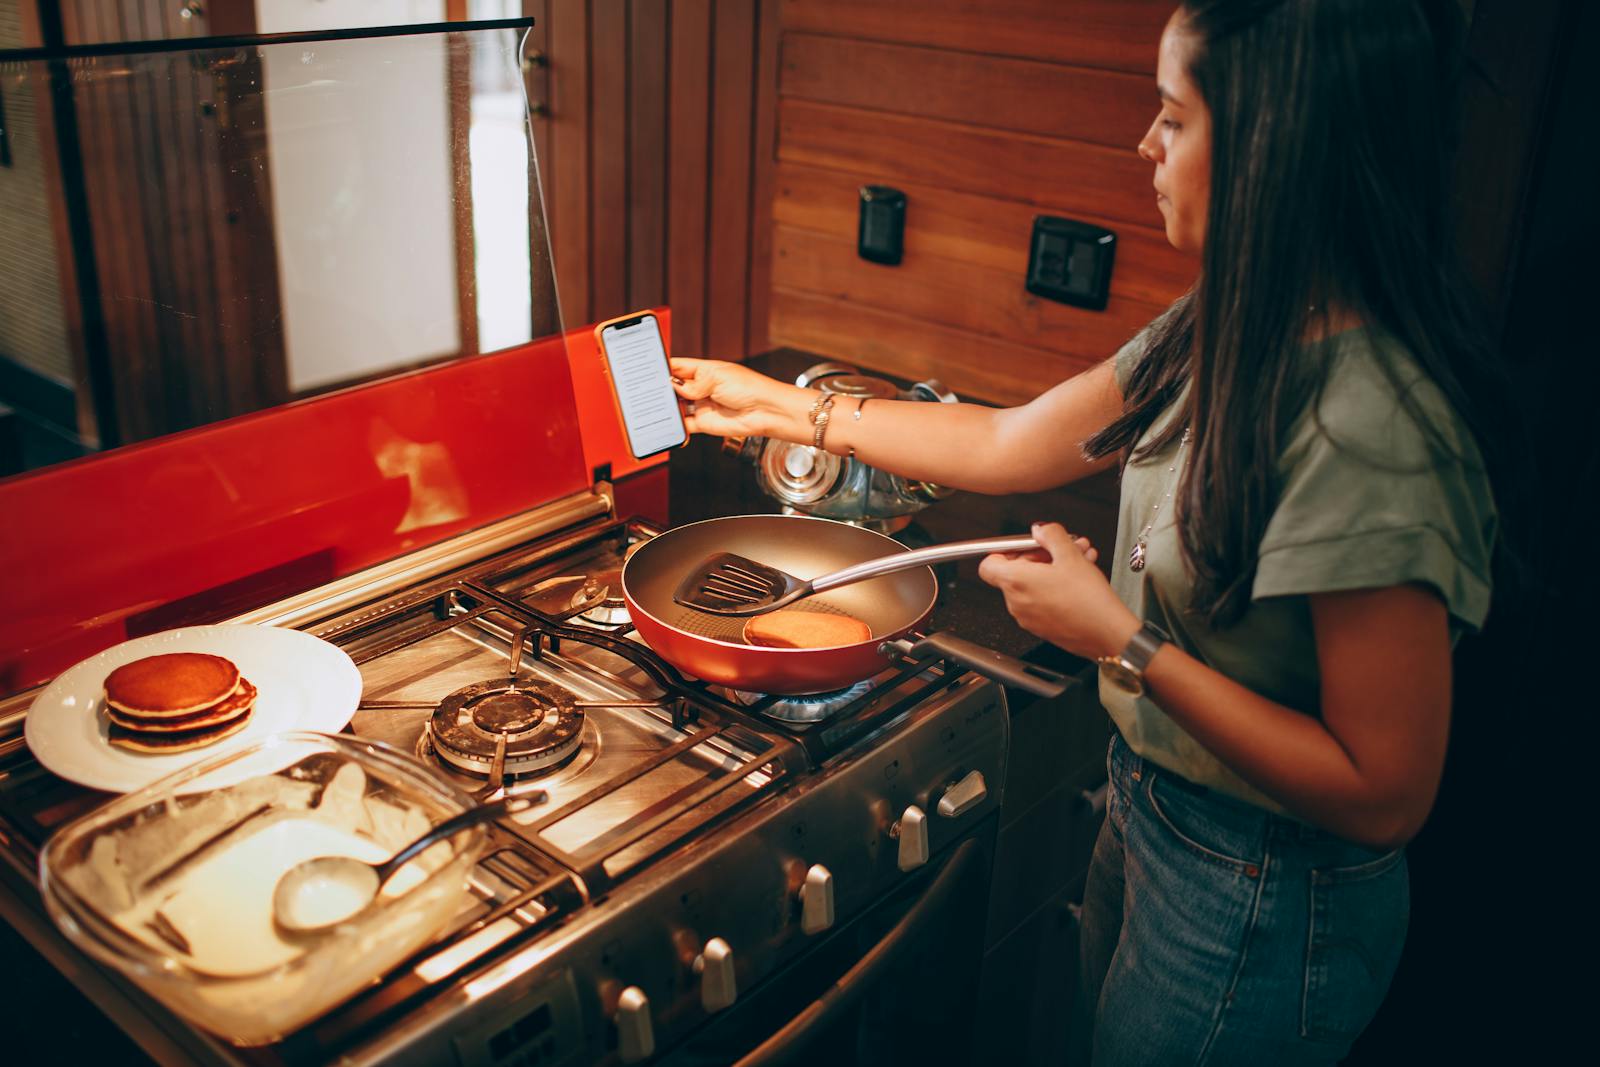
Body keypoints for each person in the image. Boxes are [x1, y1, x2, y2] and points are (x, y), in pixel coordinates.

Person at [669, 0, 1504, 1062]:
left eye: (1171, 116)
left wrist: (1120, 637)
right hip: (1156, 812)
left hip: (1262, 890)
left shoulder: (1372, 429)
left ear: (1270, 146)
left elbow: (1384, 794)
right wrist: (783, 404)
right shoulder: (1238, 316)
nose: (1143, 145)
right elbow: (1016, 440)